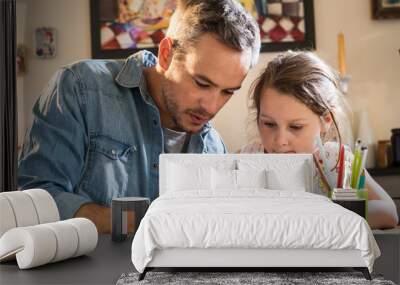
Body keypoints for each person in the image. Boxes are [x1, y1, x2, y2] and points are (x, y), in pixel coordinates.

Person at [18, 0, 261, 233]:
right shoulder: (81, 87)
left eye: (227, 92)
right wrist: (138, 223)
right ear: (166, 54)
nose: (211, 106)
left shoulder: (214, 147)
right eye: (201, 83)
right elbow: (36, 197)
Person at [241, 51, 398, 229]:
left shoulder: (336, 160)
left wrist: (332, 213)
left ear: (326, 121)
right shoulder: (248, 159)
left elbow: (388, 213)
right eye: (269, 124)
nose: (280, 141)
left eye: (295, 127)